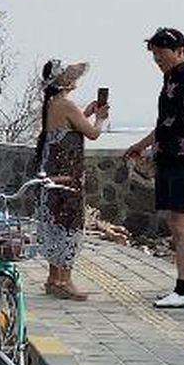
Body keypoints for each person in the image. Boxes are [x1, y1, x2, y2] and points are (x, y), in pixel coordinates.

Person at [124, 28, 184, 309]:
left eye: (161, 54)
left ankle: (181, 290)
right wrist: (140, 145)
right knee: (176, 222)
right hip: (165, 157)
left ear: (179, 50)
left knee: (181, 224)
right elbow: (164, 124)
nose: (157, 59)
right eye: (154, 55)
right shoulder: (169, 81)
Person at [33, 59, 109, 301]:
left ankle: (53, 278)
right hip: (67, 176)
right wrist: (100, 117)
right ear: (64, 81)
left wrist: (85, 113)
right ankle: (64, 281)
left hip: (50, 172)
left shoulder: (52, 104)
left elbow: (68, 128)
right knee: (69, 224)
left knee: (54, 223)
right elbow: (93, 133)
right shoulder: (65, 104)